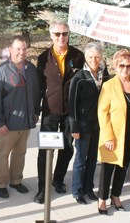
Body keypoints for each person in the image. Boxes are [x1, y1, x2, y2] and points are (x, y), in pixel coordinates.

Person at [34, 20, 85, 204]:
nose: (61, 37)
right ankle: (42, 187)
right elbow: (39, 87)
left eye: (64, 34)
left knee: (67, 148)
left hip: (70, 112)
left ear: (68, 35)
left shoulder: (78, 56)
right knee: (45, 151)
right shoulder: (43, 58)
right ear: (51, 36)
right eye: (57, 34)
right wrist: (36, 110)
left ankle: (58, 179)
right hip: (50, 111)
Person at [0, 36, 41, 199]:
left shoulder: (31, 68)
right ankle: (1, 184)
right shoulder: (1, 71)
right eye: (18, 49)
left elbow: (36, 93)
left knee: (20, 153)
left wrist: (36, 112)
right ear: (10, 50)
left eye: (24, 49)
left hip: (25, 121)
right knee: (3, 154)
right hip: (8, 124)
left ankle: (16, 180)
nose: (22, 52)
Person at [97, 49, 130, 215]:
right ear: (116, 66)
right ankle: (102, 198)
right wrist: (108, 136)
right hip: (113, 136)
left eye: (129, 66)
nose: (125, 69)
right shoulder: (109, 85)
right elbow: (102, 112)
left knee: (123, 167)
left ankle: (116, 195)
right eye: (121, 65)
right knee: (108, 168)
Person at [69, 42, 109, 205]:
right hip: (83, 125)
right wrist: (74, 128)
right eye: (91, 56)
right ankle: (77, 190)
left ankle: (88, 188)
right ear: (86, 57)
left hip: (98, 125)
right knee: (81, 159)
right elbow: (72, 105)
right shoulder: (79, 78)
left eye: (97, 57)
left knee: (93, 158)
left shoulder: (105, 75)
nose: (94, 60)